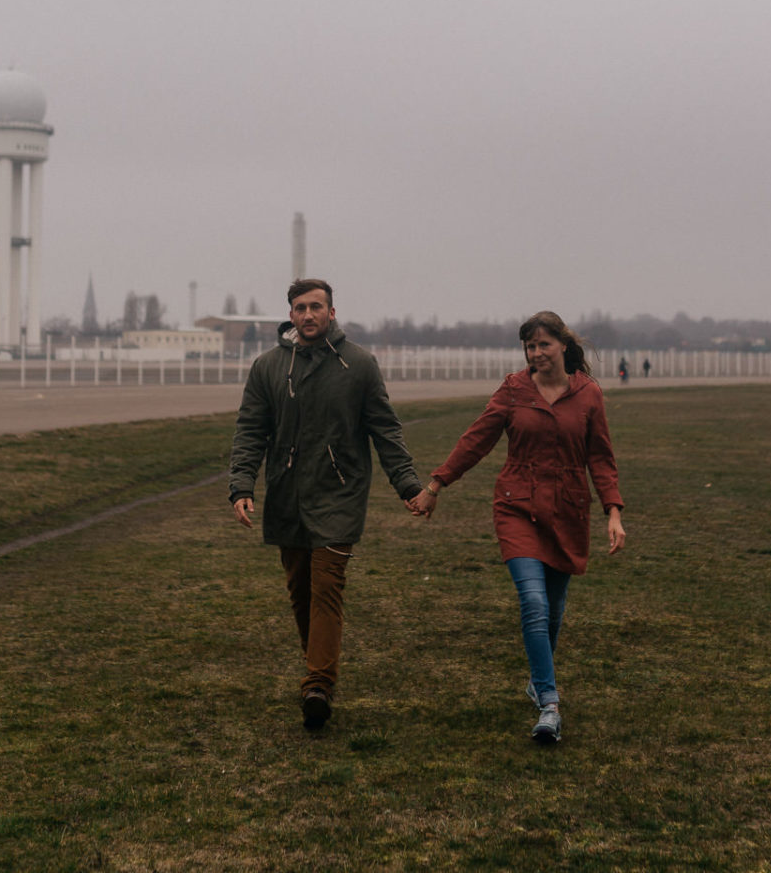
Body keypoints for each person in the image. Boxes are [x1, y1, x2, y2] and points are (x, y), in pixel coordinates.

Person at [412, 310, 625, 744]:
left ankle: (537, 678)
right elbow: (478, 438)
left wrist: (614, 512)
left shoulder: (588, 395)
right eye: (530, 346)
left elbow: (600, 458)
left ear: (563, 346)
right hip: (517, 506)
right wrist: (437, 483)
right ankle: (549, 702)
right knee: (533, 601)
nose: (536, 353)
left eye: (544, 344)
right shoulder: (513, 390)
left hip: (567, 511)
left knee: (553, 609)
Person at [229, 278, 426, 731]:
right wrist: (242, 485)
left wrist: (408, 485)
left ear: (332, 313)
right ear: (291, 315)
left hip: (340, 493)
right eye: (300, 308)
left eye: (317, 307)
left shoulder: (357, 364)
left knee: (326, 587)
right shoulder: (269, 367)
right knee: (300, 592)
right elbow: (249, 431)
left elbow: (385, 429)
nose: (309, 315)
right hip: (287, 495)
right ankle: (318, 668)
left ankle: (318, 685)